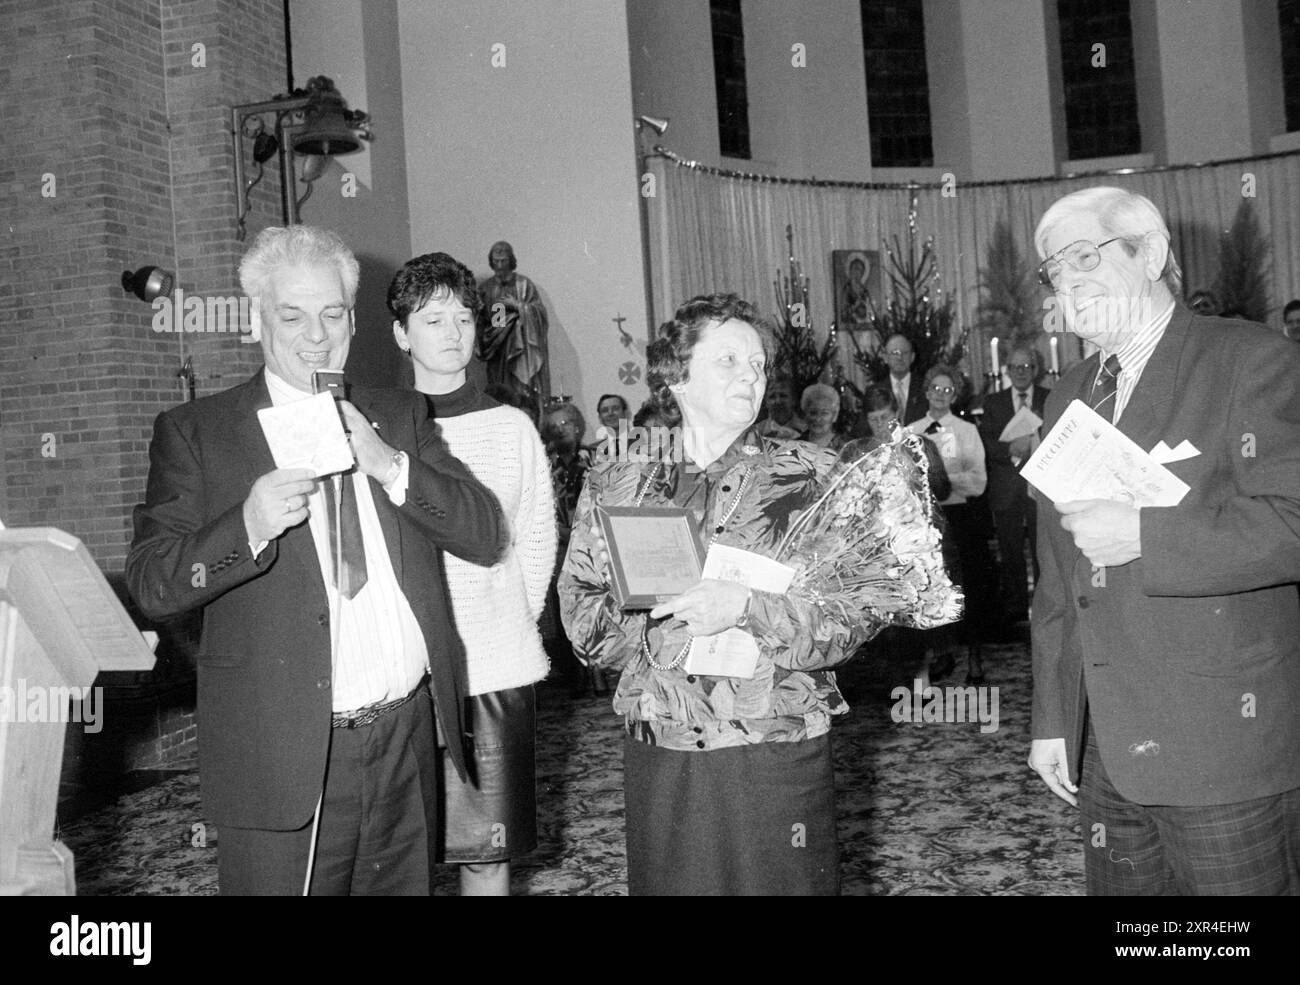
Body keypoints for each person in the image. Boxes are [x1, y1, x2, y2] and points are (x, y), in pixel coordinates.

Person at [126, 226, 506, 895]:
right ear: (255, 320)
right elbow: (154, 582)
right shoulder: (199, 432)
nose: (315, 335)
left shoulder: (396, 412)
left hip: (405, 739)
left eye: (332, 314)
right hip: (284, 757)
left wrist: (392, 467)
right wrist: (243, 526)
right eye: (291, 315)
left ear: (353, 320)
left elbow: (483, 533)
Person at [1028, 186, 1300, 895]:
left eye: (1084, 255)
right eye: (1053, 270)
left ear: (1150, 252)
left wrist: (1146, 534)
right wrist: (1054, 717)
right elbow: (1057, 581)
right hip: (1109, 752)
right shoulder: (1067, 395)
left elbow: (1293, 521)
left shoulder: (1247, 357)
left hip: (1221, 743)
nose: (1068, 280)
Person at [559, 292, 868, 895]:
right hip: (666, 741)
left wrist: (747, 609)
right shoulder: (620, 477)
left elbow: (855, 612)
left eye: (758, 364)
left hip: (774, 741)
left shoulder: (811, 477)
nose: (750, 375)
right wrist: (659, 629)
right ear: (677, 376)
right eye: (729, 360)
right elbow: (582, 610)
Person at [389, 251, 555, 896]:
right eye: (434, 320)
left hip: (490, 669)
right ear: (402, 334)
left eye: (463, 317)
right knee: (398, 855)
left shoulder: (511, 426)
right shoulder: (380, 427)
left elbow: (536, 538)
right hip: (404, 673)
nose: (454, 333)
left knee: (484, 853)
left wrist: (507, 620)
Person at [908, 364, 992, 684]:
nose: (940, 395)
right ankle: (942, 652)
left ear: (955, 395)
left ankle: (974, 654)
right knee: (932, 584)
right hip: (927, 520)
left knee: (967, 585)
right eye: (935, 389)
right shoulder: (913, 430)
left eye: (948, 390)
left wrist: (944, 480)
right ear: (926, 391)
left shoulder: (966, 431)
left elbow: (978, 480)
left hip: (961, 520)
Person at [978, 345, 1047, 624]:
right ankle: (1016, 608)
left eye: (1026, 367)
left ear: (1036, 370)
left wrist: (1035, 445)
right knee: (1010, 550)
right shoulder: (993, 403)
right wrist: (1011, 449)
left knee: (1042, 549)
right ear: (1007, 371)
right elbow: (985, 444)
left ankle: (1045, 605)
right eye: (1015, 367)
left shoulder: (1048, 397)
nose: (1020, 372)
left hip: (1039, 486)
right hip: (1007, 488)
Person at [539, 400, 600, 695]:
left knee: (592, 605)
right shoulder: (543, 463)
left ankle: (597, 671)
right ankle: (573, 673)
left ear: (577, 427)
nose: (560, 431)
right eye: (553, 426)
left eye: (565, 424)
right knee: (564, 608)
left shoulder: (592, 459)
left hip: (591, 541)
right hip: (557, 542)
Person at [478, 240, 549, 412]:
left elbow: (539, 314)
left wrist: (518, 306)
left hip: (522, 349)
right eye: (496, 261)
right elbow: (485, 322)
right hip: (497, 350)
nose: (500, 265)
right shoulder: (487, 287)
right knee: (499, 392)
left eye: (503, 261)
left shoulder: (524, 284)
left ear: (511, 260)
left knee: (521, 394)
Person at [878, 333, 929, 426]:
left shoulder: (926, 388)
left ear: (912, 357)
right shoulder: (876, 391)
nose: (899, 358)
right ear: (885, 358)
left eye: (905, 353)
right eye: (894, 353)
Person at [799, 382, 845, 451]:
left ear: (835, 415)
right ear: (805, 414)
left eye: (824, 413)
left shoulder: (846, 448)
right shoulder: (795, 446)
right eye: (813, 413)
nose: (818, 419)